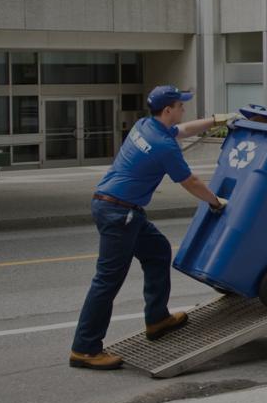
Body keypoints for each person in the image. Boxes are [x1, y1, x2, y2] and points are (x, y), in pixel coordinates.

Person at [70, 86, 231, 370]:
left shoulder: (145, 125)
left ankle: (157, 319)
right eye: (180, 105)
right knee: (107, 280)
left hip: (116, 207)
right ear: (168, 110)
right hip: (120, 213)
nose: (183, 109)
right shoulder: (163, 146)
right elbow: (190, 181)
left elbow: (181, 130)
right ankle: (84, 349)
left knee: (157, 252)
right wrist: (214, 202)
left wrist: (216, 119)